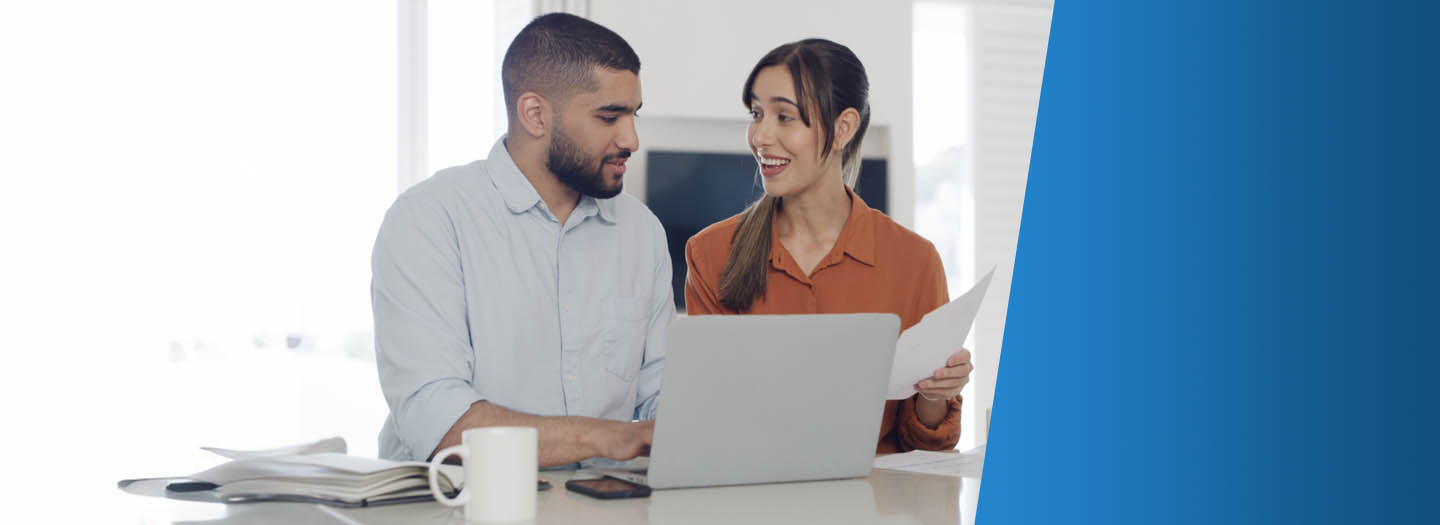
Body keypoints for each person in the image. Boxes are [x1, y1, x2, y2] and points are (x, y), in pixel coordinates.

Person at [372, 13, 671, 466]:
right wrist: (605, 439)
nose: (631, 138)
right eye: (609, 117)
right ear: (535, 114)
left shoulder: (642, 232)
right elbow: (439, 425)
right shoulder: (428, 220)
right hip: (455, 508)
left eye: (633, 114)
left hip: (604, 508)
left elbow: (662, 399)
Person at [684, 39, 973, 453]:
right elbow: (711, 419)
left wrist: (934, 392)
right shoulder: (710, 253)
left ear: (843, 128)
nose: (761, 136)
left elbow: (923, 445)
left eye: (785, 117)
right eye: (757, 114)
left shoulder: (915, 261)